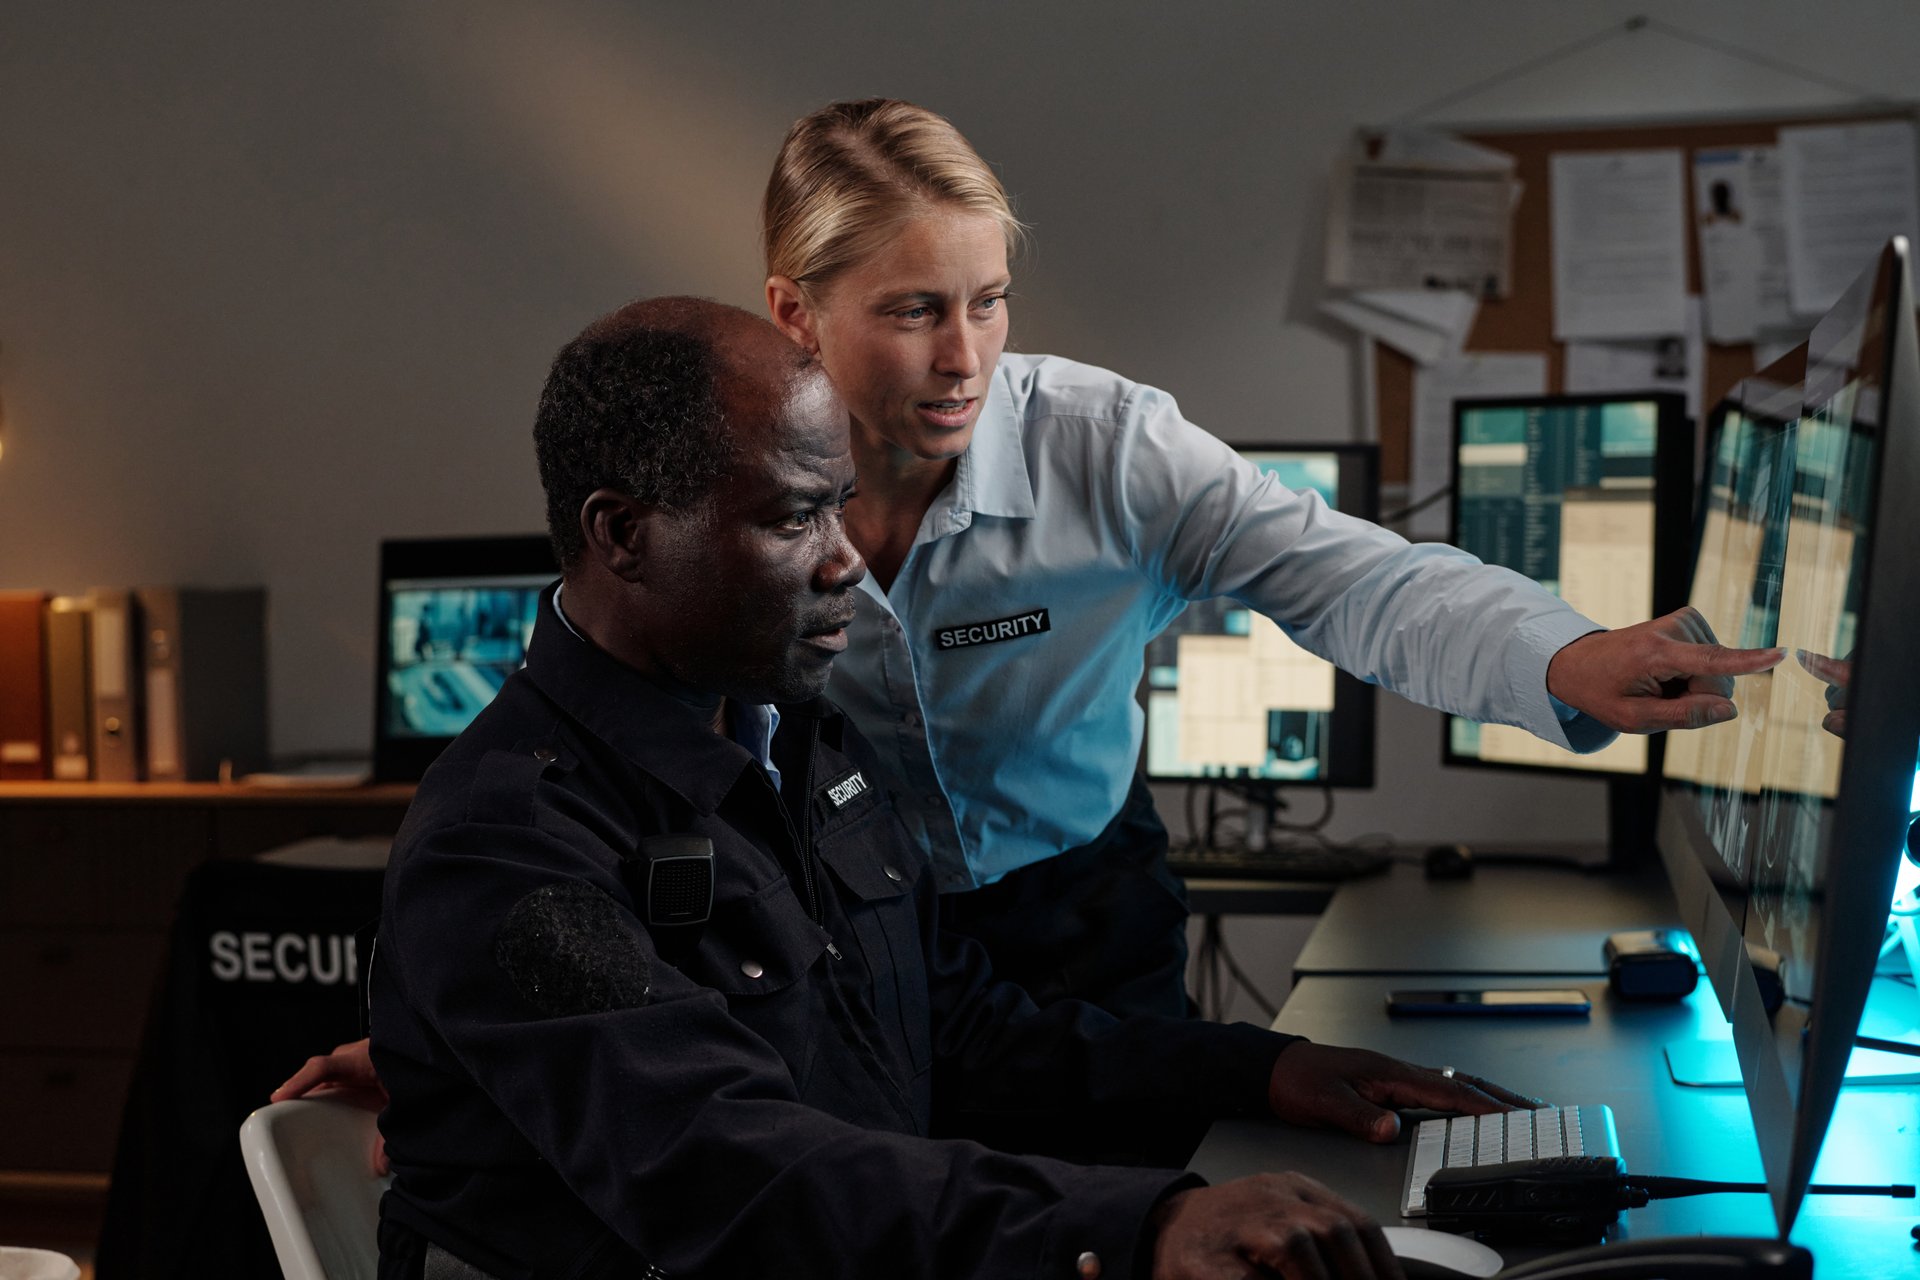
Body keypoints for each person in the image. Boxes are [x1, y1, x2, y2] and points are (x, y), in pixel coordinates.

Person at [359, 295, 1539, 1279]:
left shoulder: (798, 741)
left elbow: (956, 1026)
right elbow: (728, 1164)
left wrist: (1260, 1067)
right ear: (621, 533)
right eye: (793, 514)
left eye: (841, 501)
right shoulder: (510, 841)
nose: (844, 558)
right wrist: (1140, 1224)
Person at [758, 98, 1783, 1024]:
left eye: (987, 300)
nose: (965, 357)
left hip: (1081, 930)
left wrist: (1566, 655)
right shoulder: (724, 484)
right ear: (795, 310)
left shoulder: (1106, 446)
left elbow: (1354, 579)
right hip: (835, 935)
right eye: (914, 310)